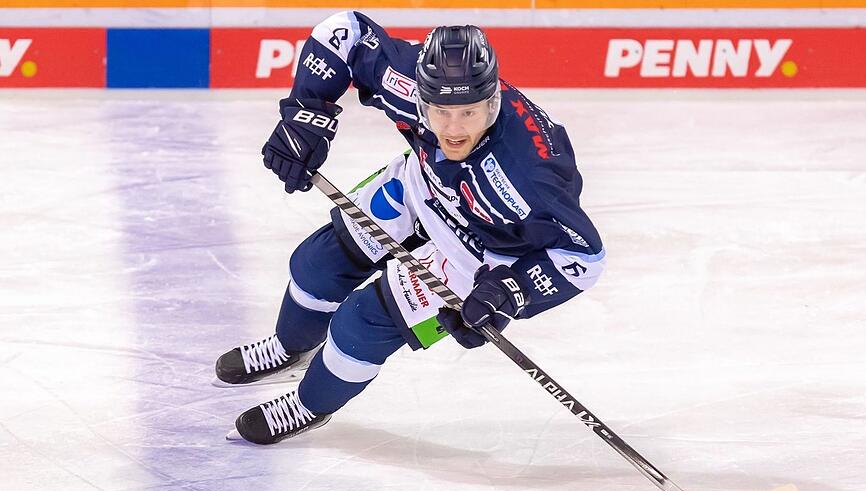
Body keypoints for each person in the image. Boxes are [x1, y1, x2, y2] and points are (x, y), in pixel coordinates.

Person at [217, 11, 607, 445]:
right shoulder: (405, 77)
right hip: (424, 185)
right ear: (421, 98)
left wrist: (510, 292)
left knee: (360, 324)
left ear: (493, 102)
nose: (454, 130)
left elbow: (582, 257)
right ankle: (291, 347)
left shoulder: (530, 176)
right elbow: (343, 33)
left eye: (469, 112)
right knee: (318, 264)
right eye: (440, 112)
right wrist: (305, 114)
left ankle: (309, 405)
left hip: (483, 250)